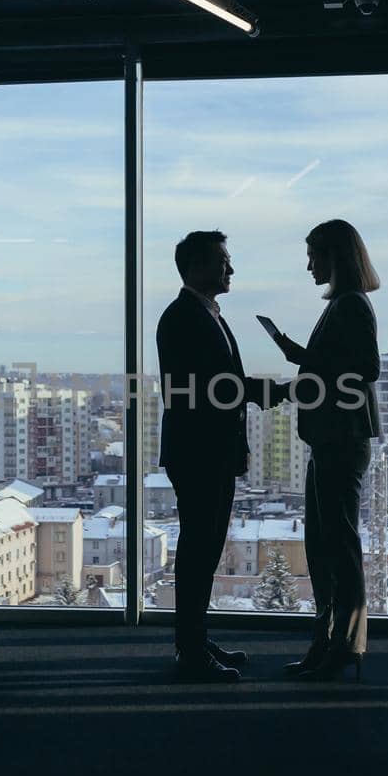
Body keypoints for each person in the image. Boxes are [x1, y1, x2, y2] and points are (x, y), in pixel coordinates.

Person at [157, 230, 279, 683]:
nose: (231, 269)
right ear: (196, 266)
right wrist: (273, 391)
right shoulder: (182, 317)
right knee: (197, 551)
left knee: (203, 551)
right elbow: (209, 390)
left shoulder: (206, 314)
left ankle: (195, 639)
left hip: (210, 451)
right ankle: (190, 651)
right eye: (223, 260)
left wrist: (239, 447)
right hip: (197, 452)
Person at [269, 219, 381, 681]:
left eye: (313, 254)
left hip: (341, 439)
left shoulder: (351, 305)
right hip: (331, 439)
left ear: (334, 256)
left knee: (337, 546)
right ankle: (329, 643)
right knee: (324, 546)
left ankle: (344, 645)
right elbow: (334, 373)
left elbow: (364, 369)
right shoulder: (341, 305)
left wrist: (301, 356)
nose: (308, 264)